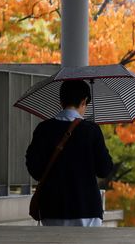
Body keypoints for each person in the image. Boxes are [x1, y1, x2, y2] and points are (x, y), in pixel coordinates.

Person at [26, 80, 113, 227]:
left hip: (52, 207)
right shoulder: (92, 130)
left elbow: (35, 169)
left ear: (61, 100)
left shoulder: (44, 129)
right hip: (86, 209)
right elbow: (104, 169)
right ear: (84, 101)